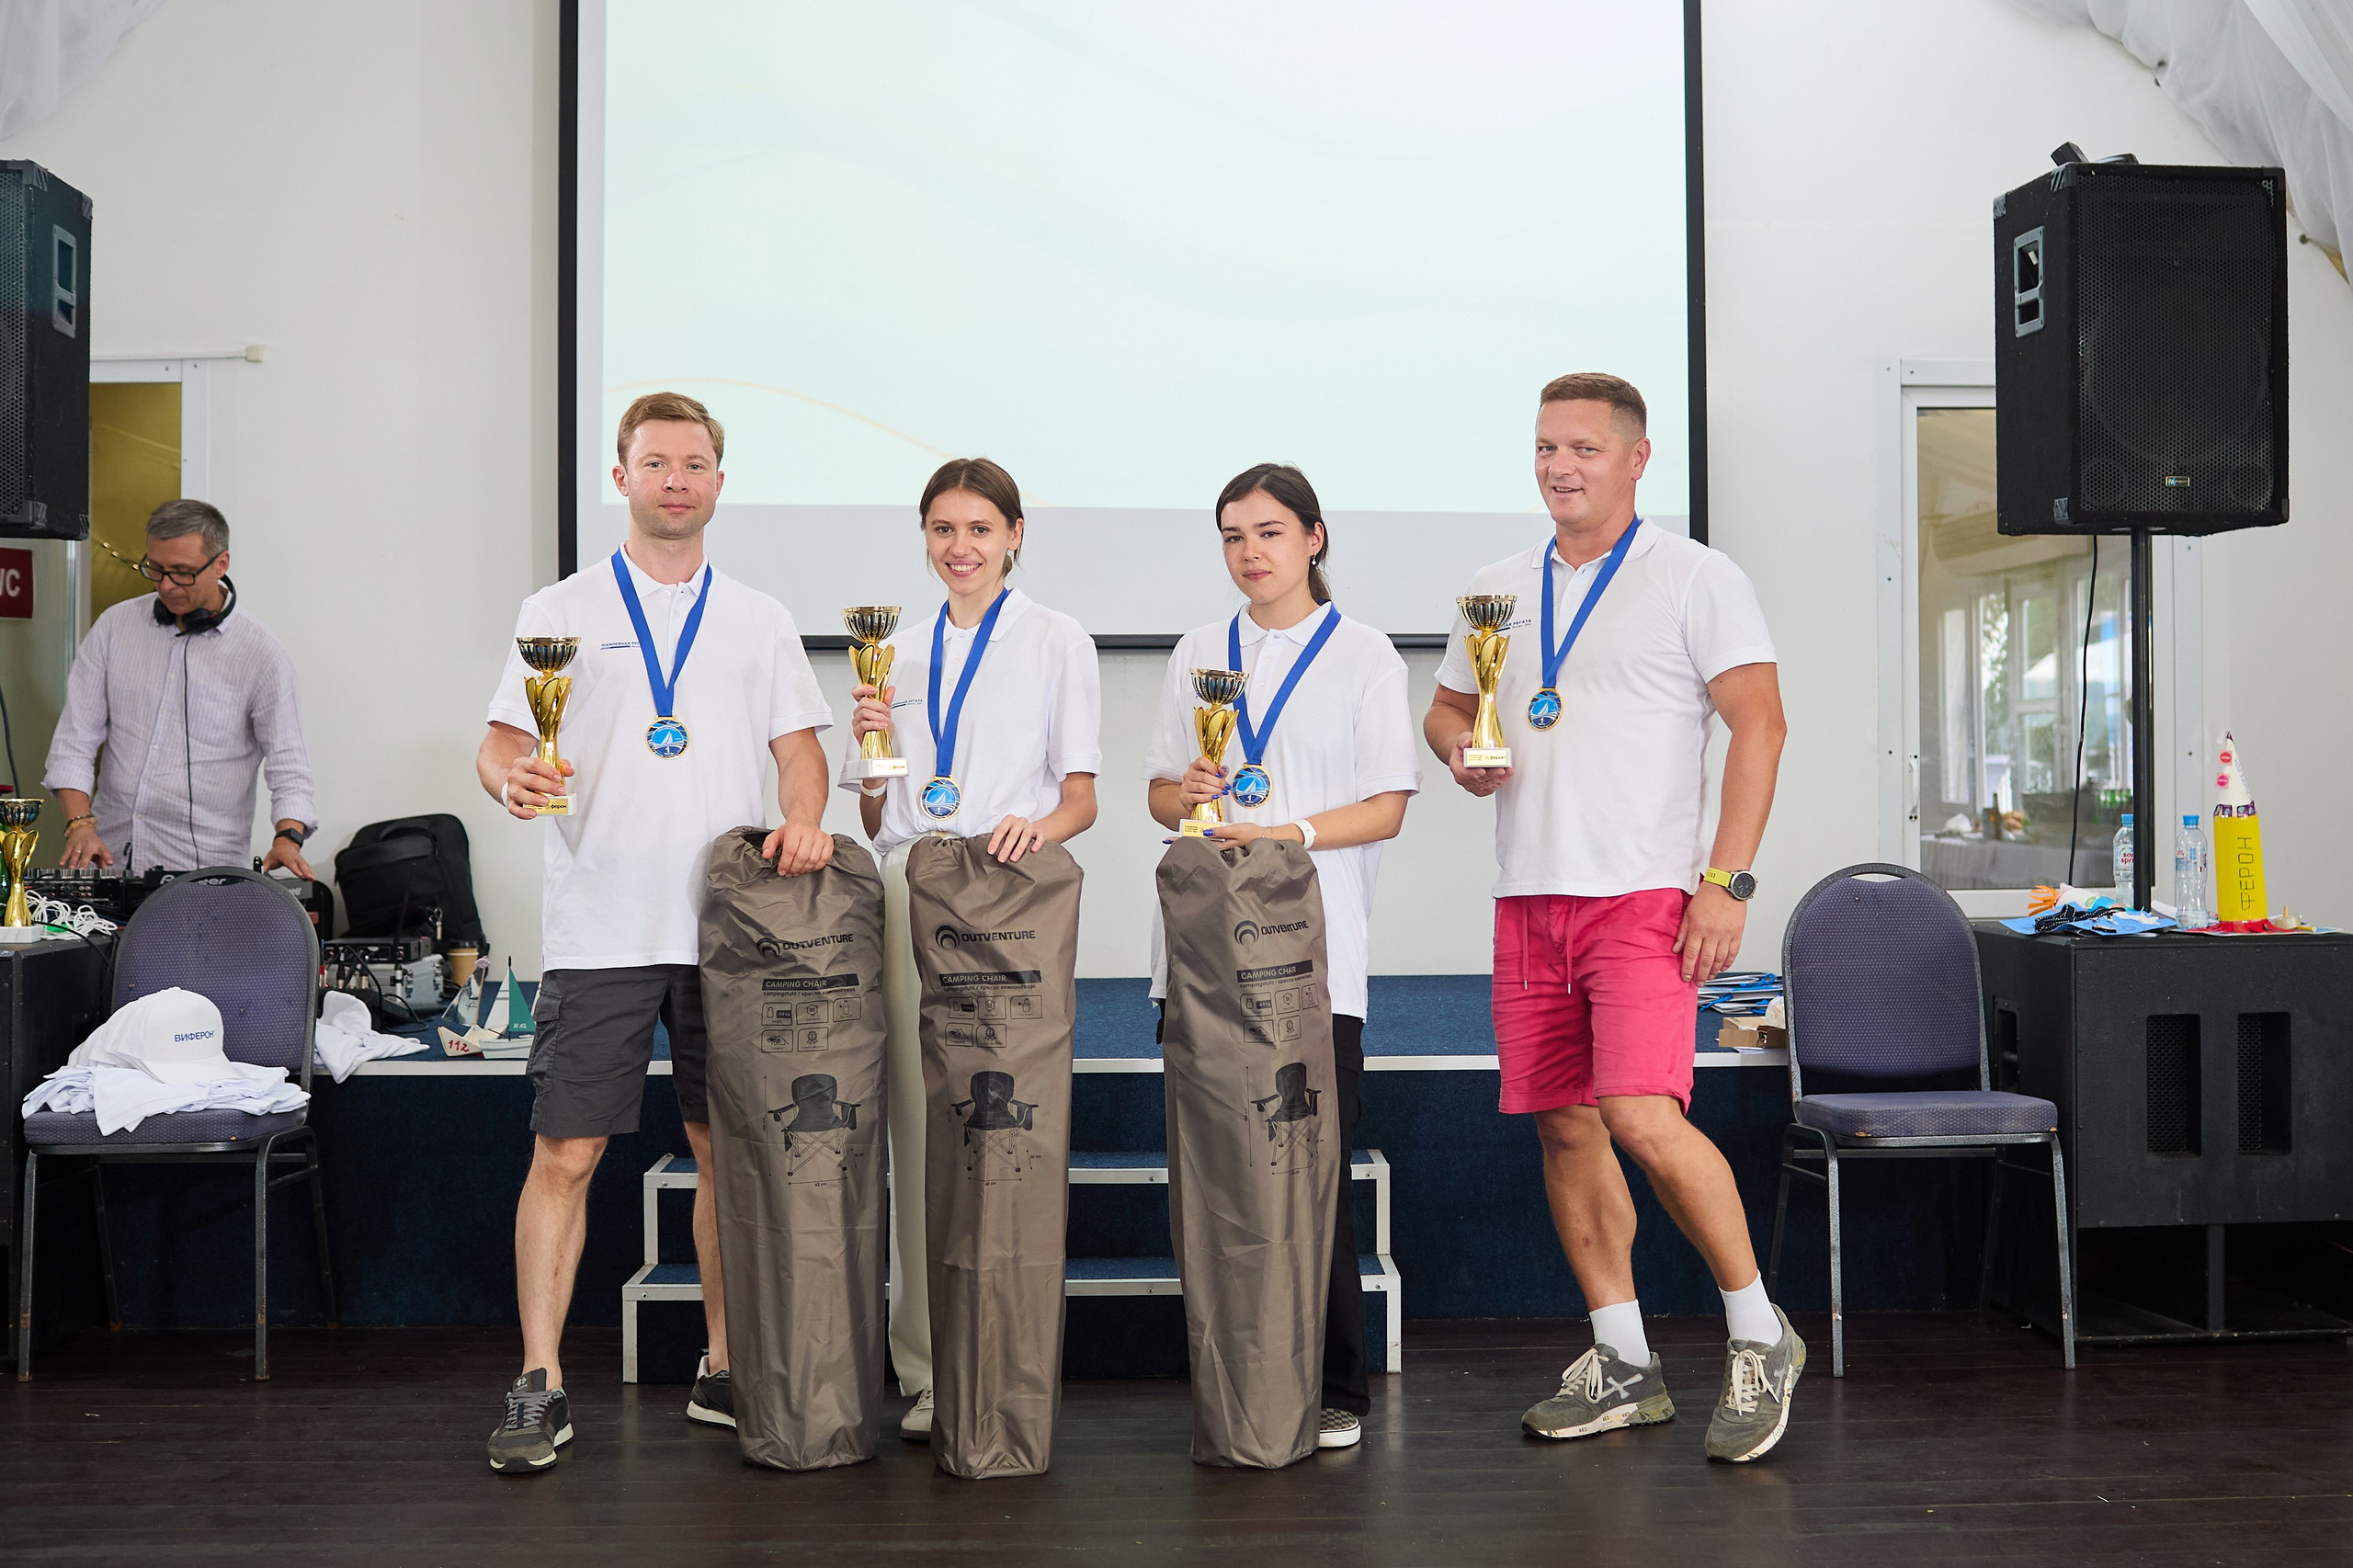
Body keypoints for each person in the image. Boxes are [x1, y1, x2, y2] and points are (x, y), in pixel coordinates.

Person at [1425, 373, 1798, 1464]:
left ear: (1636, 459)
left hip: (1643, 895)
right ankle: (1624, 1359)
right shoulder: (1497, 584)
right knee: (1566, 1124)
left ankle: (1758, 1331)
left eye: (1583, 448)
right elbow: (1451, 702)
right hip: (1528, 895)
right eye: (1545, 447)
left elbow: (1761, 724)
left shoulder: (1695, 577)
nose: (1559, 466)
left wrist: (1726, 883)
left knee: (1639, 1112)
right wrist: (1459, 747)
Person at [477, 392, 836, 1473]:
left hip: (734, 928)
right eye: (655, 461)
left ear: (718, 482)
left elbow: (800, 750)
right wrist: (514, 778)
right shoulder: (562, 605)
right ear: (622, 477)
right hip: (600, 924)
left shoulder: (761, 617)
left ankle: (724, 1363)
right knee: (566, 1150)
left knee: (726, 1151)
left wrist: (809, 819)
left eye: (695, 462)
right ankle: (539, 1380)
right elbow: (498, 745)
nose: (675, 478)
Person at [1143, 463, 1419, 1451]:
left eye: (1267, 531)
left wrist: (1282, 829)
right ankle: (1234, 1370)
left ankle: (1333, 1380)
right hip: (1201, 954)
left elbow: (1388, 803)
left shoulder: (1364, 655)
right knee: (1213, 1175)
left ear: (1313, 537)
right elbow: (1158, 797)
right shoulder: (1195, 650)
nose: (1248, 552)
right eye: (1230, 535)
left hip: (1311, 960)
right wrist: (1195, 793)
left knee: (1313, 1172)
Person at [839, 457, 1100, 1441]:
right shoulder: (892, 653)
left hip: (1005, 895)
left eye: (980, 528)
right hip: (911, 886)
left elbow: (1079, 792)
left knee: (994, 1131)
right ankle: (925, 1364)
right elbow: (877, 812)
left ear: (1015, 534)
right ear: (924, 537)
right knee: (915, 1128)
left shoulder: (1055, 640)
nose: (961, 547)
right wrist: (868, 749)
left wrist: (1040, 825)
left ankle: (999, 1352)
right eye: (943, 528)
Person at [45, 499, 318, 879]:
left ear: (221, 564)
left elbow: (290, 767)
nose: (167, 585)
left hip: (205, 875)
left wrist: (287, 838)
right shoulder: (114, 627)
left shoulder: (261, 653)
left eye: (183, 573)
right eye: (155, 569)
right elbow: (74, 742)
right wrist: (81, 824)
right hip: (109, 863)